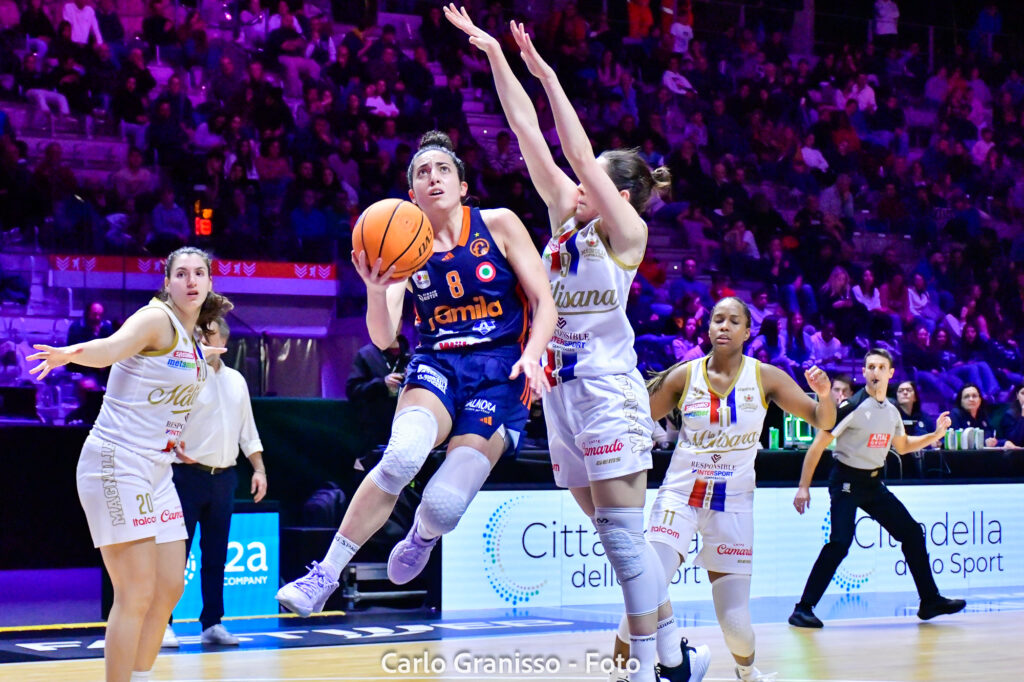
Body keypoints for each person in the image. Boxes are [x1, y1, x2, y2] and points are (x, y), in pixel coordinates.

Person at [444, 7, 689, 680]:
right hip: (560, 399)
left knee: (622, 540)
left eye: (595, 182)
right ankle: (672, 654)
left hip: (609, 392)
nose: (577, 183)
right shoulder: (563, 218)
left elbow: (576, 153)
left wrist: (547, 70)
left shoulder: (628, 238)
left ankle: (646, 668)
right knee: (620, 548)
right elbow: (527, 131)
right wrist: (496, 54)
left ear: (620, 195)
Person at [274, 129, 556, 616]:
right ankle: (323, 575)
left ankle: (422, 535)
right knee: (402, 456)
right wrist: (373, 286)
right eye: (422, 172)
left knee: (444, 505)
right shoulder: (405, 243)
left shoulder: (500, 224)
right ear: (412, 194)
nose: (433, 177)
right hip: (437, 361)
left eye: (443, 169)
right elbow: (384, 338)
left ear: (463, 186)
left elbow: (545, 303)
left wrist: (533, 354)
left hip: (502, 371)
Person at [27, 247, 231, 682]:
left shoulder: (193, 343)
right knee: (135, 591)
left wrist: (175, 444)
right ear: (167, 282)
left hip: (156, 468)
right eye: (181, 273)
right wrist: (70, 354)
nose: (191, 281)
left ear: (210, 281)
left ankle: (139, 675)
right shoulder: (155, 318)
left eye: (199, 273)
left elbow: (164, 402)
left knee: (171, 587)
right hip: (115, 462)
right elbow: (111, 348)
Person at [609, 297, 836, 682]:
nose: (724, 326)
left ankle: (747, 672)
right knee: (647, 587)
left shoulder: (767, 377)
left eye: (734, 321)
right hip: (680, 495)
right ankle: (620, 674)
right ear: (709, 329)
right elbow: (635, 417)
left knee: (735, 624)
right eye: (718, 319)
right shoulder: (684, 375)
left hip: (733, 504)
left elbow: (821, 420)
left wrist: (826, 395)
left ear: (748, 332)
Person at [789, 349, 966, 629]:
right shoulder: (852, 406)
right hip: (846, 481)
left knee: (911, 533)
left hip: (872, 482)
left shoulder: (892, 410)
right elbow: (817, 445)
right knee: (839, 543)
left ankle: (929, 600)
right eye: (870, 366)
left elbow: (903, 446)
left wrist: (934, 435)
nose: (874, 371)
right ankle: (803, 608)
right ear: (864, 372)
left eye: (880, 367)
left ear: (890, 373)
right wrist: (803, 487)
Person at [164, 317, 266, 649]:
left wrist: (259, 469)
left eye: (208, 334)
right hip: (185, 477)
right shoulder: (185, 374)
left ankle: (213, 623)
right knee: (174, 556)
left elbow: (247, 430)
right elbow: (166, 417)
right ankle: (161, 623)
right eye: (198, 335)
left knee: (216, 555)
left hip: (224, 478)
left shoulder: (237, 380)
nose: (203, 339)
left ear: (224, 338)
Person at [345, 334, 412, 448]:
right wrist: (381, 383)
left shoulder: (413, 356)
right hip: (375, 432)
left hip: (407, 430)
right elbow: (353, 390)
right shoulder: (366, 355)